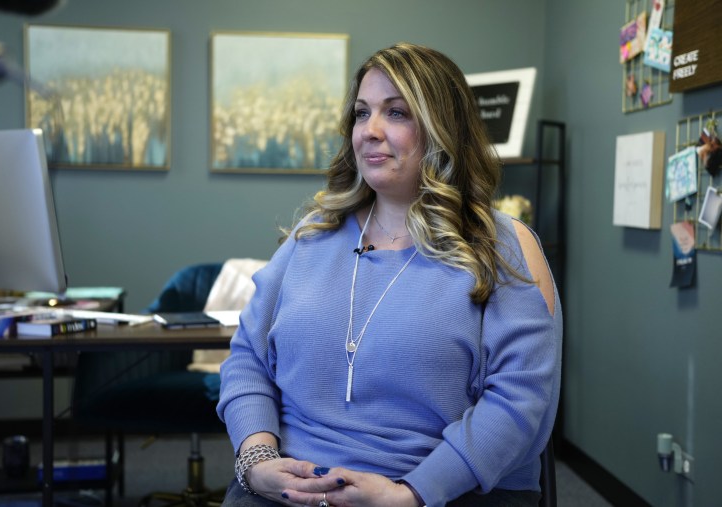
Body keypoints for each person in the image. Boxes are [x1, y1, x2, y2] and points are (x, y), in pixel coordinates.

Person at [216, 42, 562, 507]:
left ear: (442, 129)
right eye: (362, 113)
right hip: (288, 492)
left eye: (396, 113)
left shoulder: (503, 245)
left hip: (443, 493)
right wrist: (255, 459)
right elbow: (248, 359)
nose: (369, 132)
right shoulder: (312, 235)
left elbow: (522, 399)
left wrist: (413, 493)